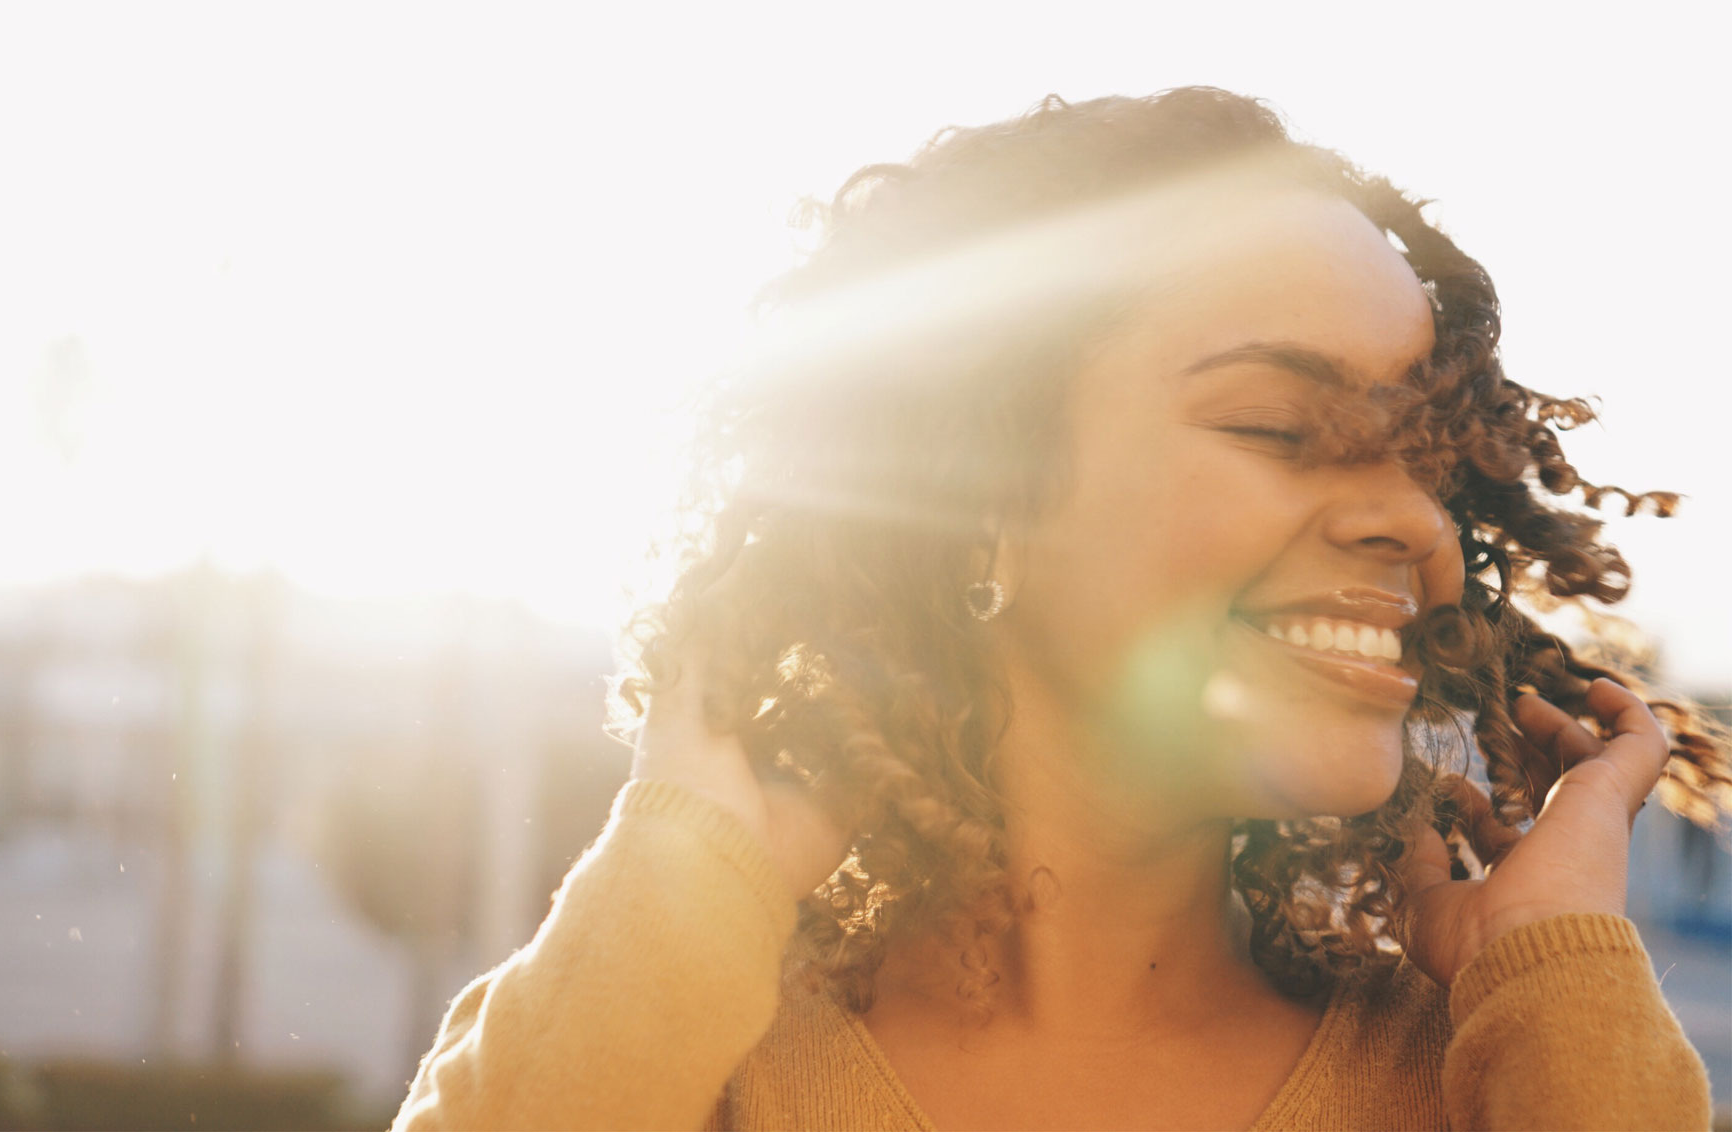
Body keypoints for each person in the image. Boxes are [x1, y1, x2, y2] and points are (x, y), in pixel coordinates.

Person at [395, 88, 1730, 1130]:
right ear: (975, 489)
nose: (1419, 527)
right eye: (1282, 427)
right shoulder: (679, 1062)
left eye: (1431, 458)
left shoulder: (1500, 1084)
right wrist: (687, 877)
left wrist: (1551, 974)